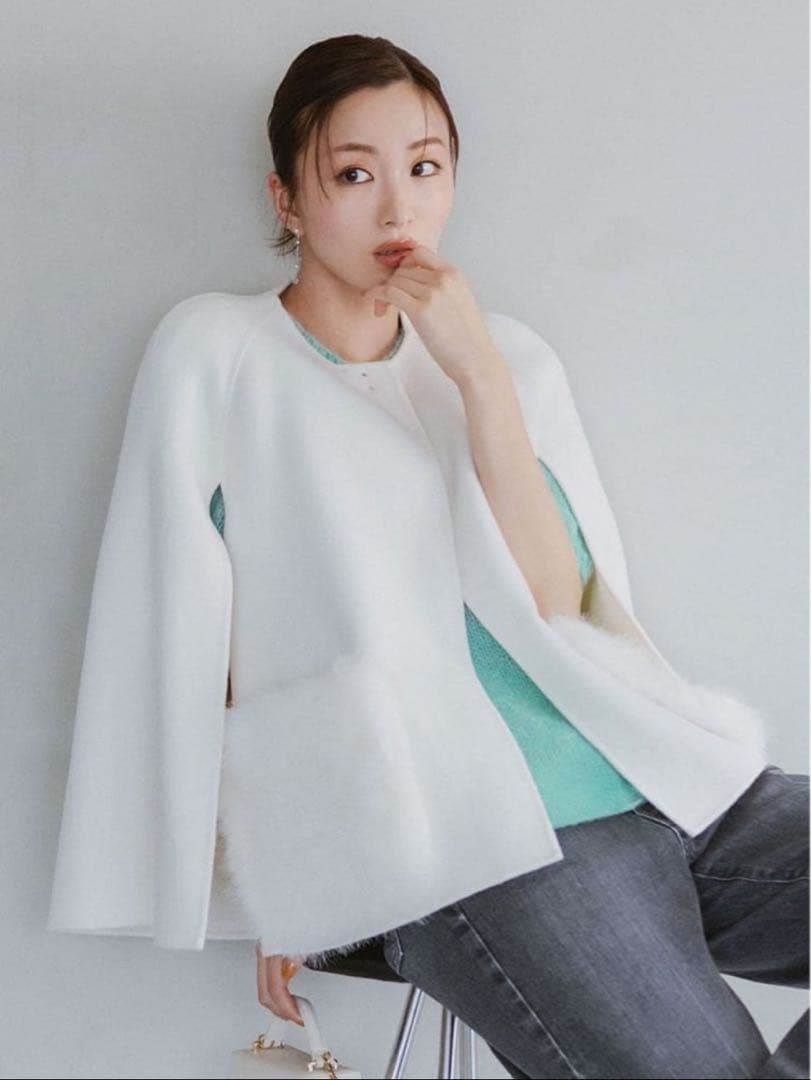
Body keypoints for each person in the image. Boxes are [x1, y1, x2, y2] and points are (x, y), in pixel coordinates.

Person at [253, 34, 809, 1080]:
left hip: (658, 781)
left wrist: (477, 377)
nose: (397, 209)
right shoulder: (231, 366)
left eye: (424, 168)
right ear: (286, 199)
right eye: (354, 175)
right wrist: (288, 871)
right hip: (483, 837)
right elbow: (217, 641)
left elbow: (561, 603)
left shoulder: (505, 357)